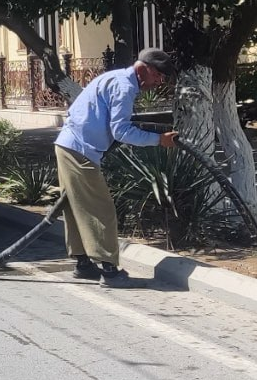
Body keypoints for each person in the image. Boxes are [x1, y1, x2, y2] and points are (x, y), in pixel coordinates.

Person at [54, 47, 179, 287]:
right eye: (158, 76)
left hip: (70, 145)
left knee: (75, 206)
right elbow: (120, 131)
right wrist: (159, 140)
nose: (158, 82)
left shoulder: (116, 78)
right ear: (144, 69)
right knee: (101, 209)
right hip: (80, 149)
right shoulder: (125, 87)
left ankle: (83, 264)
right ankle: (109, 270)